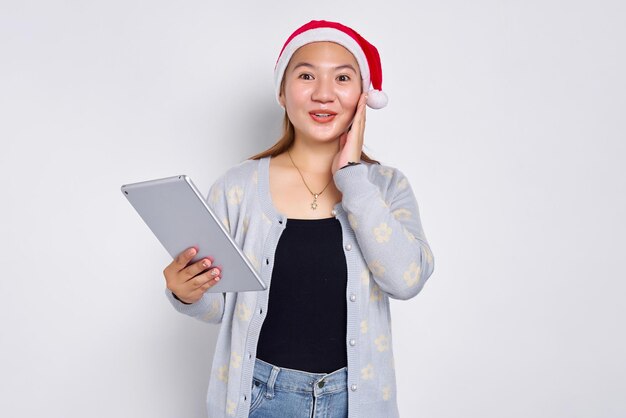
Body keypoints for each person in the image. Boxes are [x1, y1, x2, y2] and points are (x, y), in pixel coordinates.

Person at [162, 20, 434, 418]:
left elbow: (407, 280)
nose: (323, 93)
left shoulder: (385, 187)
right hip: (258, 399)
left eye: (342, 77)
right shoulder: (236, 188)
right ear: (281, 91)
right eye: (306, 75)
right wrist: (187, 292)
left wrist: (353, 178)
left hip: (355, 401)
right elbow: (222, 308)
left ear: (363, 95)